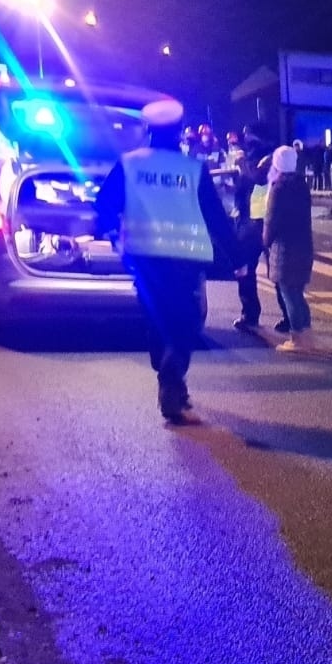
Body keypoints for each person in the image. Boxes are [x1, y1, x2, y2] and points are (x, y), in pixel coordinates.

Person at [95, 98, 246, 424]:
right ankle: (171, 377)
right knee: (186, 322)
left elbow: (104, 204)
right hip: (184, 259)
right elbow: (215, 216)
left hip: (143, 258)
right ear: (179, 132)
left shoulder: (130, 163)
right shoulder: (193, 169)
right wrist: (238, 258)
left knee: (156, 319)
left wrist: (113, 238)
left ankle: (170, 378)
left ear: (148, 129)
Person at [262, 144, 316, 352]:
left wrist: (265, 240)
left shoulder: (279, 188)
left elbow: (271, 220)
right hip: (303, 245)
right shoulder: (301, 186)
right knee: (297, 294)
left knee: (289, 294)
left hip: (285, 249)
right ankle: (307, 335)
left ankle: (297, 340)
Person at [230, 125, 276, 333]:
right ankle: (249, 313)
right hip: (248, 220)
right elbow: (243, 186)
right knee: (245, 270)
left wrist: (243, 166)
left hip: (263, 221)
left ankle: (292, 318)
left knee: (277, 271)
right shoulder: (251, 157)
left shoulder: (271, 159)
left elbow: (257, 178)